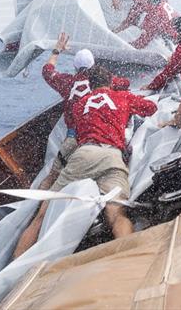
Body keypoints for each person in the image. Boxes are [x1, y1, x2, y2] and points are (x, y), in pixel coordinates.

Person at [13, 65, 157, 258]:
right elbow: (151, 108)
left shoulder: (80, 104)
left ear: (91, 84)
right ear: (111, 82)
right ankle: (129, 259)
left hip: (84, 154)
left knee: (41, 215)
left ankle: (15, 262)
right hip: (112, 156)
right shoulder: (122, 97)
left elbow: (77, 133)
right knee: (117, 214)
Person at [39, 33, 130, 189]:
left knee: (52, 178)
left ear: (75, 67)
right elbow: (125, 83)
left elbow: (47, 71)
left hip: (73, 138)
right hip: (97, 140)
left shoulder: (67, 82)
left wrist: (57, 50)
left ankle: (37, 207)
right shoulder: (106, 80)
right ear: (94, 65)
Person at [113, 0, 179, 49]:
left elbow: (141, 43)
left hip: (174, 41)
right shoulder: (156, 0)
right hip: (173, 30)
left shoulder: (154, 15)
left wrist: (120, 45)